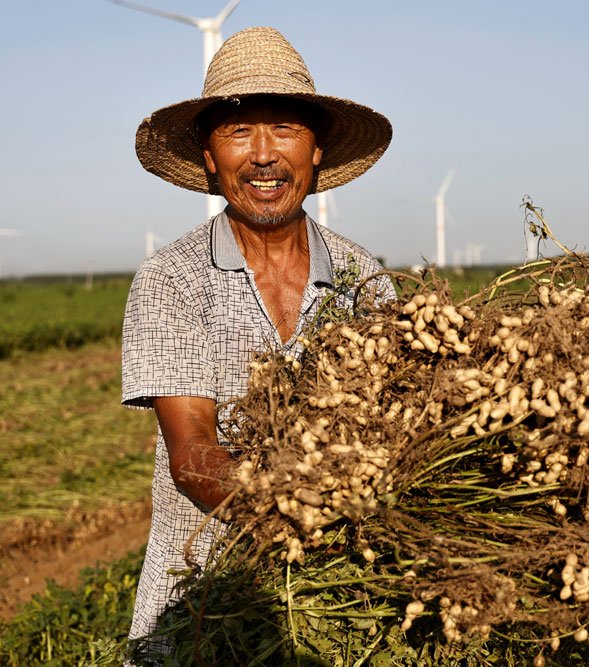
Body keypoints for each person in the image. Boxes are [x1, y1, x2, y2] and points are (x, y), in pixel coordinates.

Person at [120, 26, 396, 653]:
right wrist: (316, 516)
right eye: (240, 131)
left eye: (285, 129)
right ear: (210, 158)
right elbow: (192, 459)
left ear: (318, 149)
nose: (264, 155)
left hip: (346, 607)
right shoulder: (172, 280)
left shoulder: (369, 285)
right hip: (201, 603)